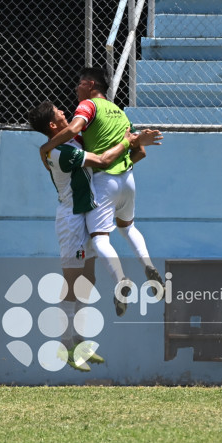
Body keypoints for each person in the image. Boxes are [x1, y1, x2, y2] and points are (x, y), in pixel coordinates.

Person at [28, 100, 162, 370]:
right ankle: (65, 345)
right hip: (72, 222)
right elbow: (103, 160)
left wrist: (136, 141)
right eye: (58, 112)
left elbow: (108, 151)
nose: (64, 111)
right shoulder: (61, 152)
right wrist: (127, 142)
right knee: (71, 282)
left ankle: (78, 341)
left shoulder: (67, 142)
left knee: (87, 280)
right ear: (53, 124)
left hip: (85, 216)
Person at [38, 67, 165, 312]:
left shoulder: (88, 106)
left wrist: (45, 147)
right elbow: (140, 151)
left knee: (99, 239)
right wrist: (128, 152)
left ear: (90, 84)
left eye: (79, 84)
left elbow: (75, 130)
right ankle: (148, 265)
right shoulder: (120, 113)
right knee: (128, 228)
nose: (76, 89)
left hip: (103, 182)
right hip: (128, 178)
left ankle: (121, 281)